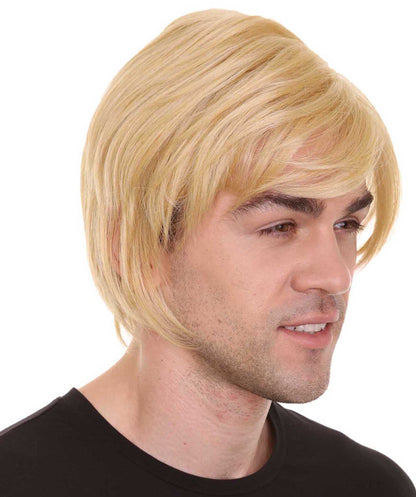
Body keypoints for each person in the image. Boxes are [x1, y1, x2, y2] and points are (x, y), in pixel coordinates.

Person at [0, 8, 414, 496]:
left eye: (347, 224)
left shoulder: (369, 487)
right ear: (140, 248)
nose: (335, 275)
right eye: (280, 226)